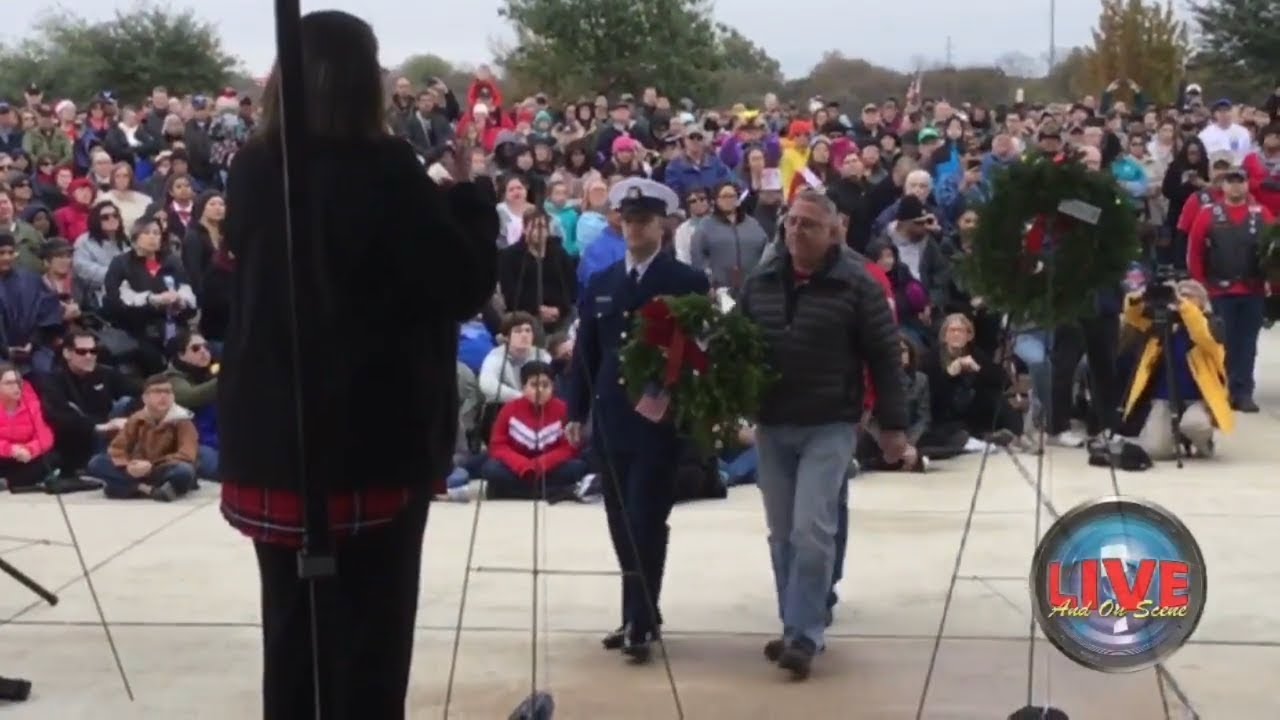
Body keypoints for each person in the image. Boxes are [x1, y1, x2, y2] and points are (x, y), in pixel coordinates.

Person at [215, 11, 498, 720]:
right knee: (369, 648)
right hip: (369, 445)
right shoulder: (385, 169)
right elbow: (460, 285)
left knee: (292, 638)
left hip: (275, 444)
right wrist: (469, 200)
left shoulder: (253, 166)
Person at [737, 188, 907, 679]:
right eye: (791, 222)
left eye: (808, 224)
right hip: (774, 423)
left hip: (830, 424)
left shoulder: (858, 284)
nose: (795, 231)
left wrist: (893, 426)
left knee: (812, 531)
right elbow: (739, 343)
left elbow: (884, 356)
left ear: (834, 230)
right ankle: (795, 624)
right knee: (782, 535)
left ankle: (805, 635)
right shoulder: (762, 279)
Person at [566, 176, 710, 663]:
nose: (633, 229)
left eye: (643, 221)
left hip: (658, 418)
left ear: (663, 226)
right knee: (618, 518)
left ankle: (640, 619)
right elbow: (586, 352)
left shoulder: (685, 282)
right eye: (627, 221)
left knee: (647, 516)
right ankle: (639, 612)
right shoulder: (603, 283)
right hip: (611, 417)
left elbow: (698, 351)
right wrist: (575, 410)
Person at [1186, 162, 1274, 413]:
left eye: (1241, 181)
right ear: (1222, 185)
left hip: (1252, 290)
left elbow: (1272, 250)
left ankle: (1243, 392)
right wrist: (1200, 286)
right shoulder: (1208, 213)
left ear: (1247, 184)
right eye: (1231, 181)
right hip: (1219, 291)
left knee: (1247, 344)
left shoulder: (1262, 213)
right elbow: (1195, 252)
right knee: (1220, 343)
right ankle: (1219, 390)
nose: (1236, 185)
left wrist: (1269, 279)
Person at [1119, 279, 1230, 459]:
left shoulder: (1212, 324)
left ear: (1202, 301)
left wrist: (1181, 304)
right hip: (1164, 397)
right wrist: (1142, 295)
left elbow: (1202, 335)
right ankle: (1173, 436)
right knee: (1156, 450)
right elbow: (1132, 315)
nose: (1183, 298)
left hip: (1197, 399)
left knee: (1194, 425)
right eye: (1179, 294)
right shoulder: (1160, 324)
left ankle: (1203, 442)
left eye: (1189, 295)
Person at [480, 360, 588, 501]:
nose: (540, 390)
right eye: (534, 385)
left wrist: (541, 464)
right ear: (523, 387)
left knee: (578, 467)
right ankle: (552, 492)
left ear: (553, 387)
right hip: (517, 468)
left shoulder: (564, 409)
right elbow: (498, 445)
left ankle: (511, 492)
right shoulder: (509, 409)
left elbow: (569, 447)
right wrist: (523, 465)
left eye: (545, 385)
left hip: (548, 468)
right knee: (490, 469)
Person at [87, 374, 198, 501]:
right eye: (157, 392)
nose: (163, 396)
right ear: (145, 398)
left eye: (168, 392)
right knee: (96, 462)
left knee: (184, 471)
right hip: (136, 470)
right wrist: (128, 465)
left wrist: (151, 465)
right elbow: (116, 449)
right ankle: (146, 489)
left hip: (163, 469)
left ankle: (125, 487)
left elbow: (187, 454)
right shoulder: (136, 419)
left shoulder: (183, 420)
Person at [0, 362, 56, 492]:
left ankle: (7, 482)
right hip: (3, 454)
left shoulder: (32, 404)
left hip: (24, 456)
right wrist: (10, 449)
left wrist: (30, 449)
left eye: (18, 382)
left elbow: (45, 436)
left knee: (52, 458)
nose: (16, 387)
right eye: (9, 383)